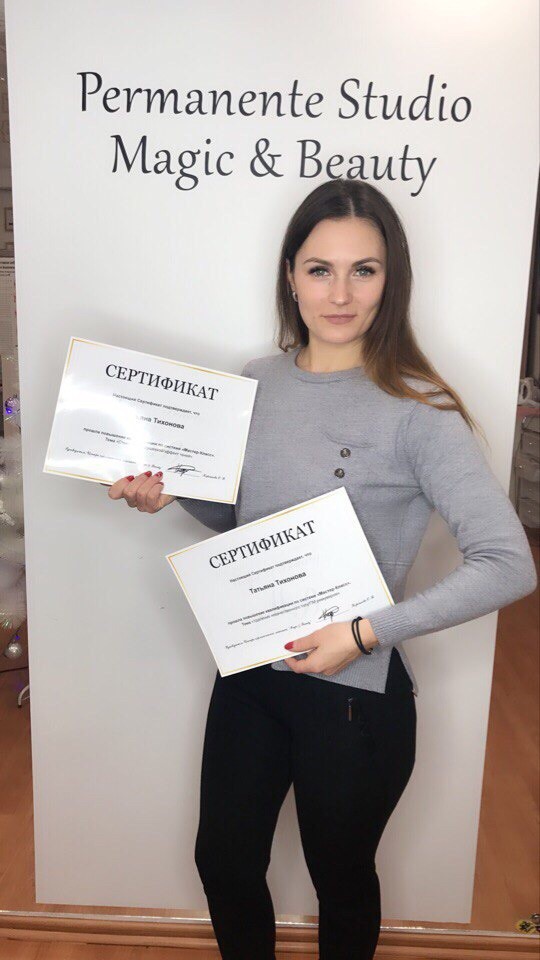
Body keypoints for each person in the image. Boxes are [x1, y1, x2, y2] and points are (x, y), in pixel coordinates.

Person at [107, 179, 537, 960]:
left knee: (341, 882)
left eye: (363, 270)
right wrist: (169, 496)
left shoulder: (418, 410)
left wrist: (365, 633)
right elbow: (242, 520)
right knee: (224, 861)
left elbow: (509, 564)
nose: (340, 294)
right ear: (290, 276)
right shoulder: (257, 381)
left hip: (352, 699)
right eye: (319, 269)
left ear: (391, 279)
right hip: (250, 674)